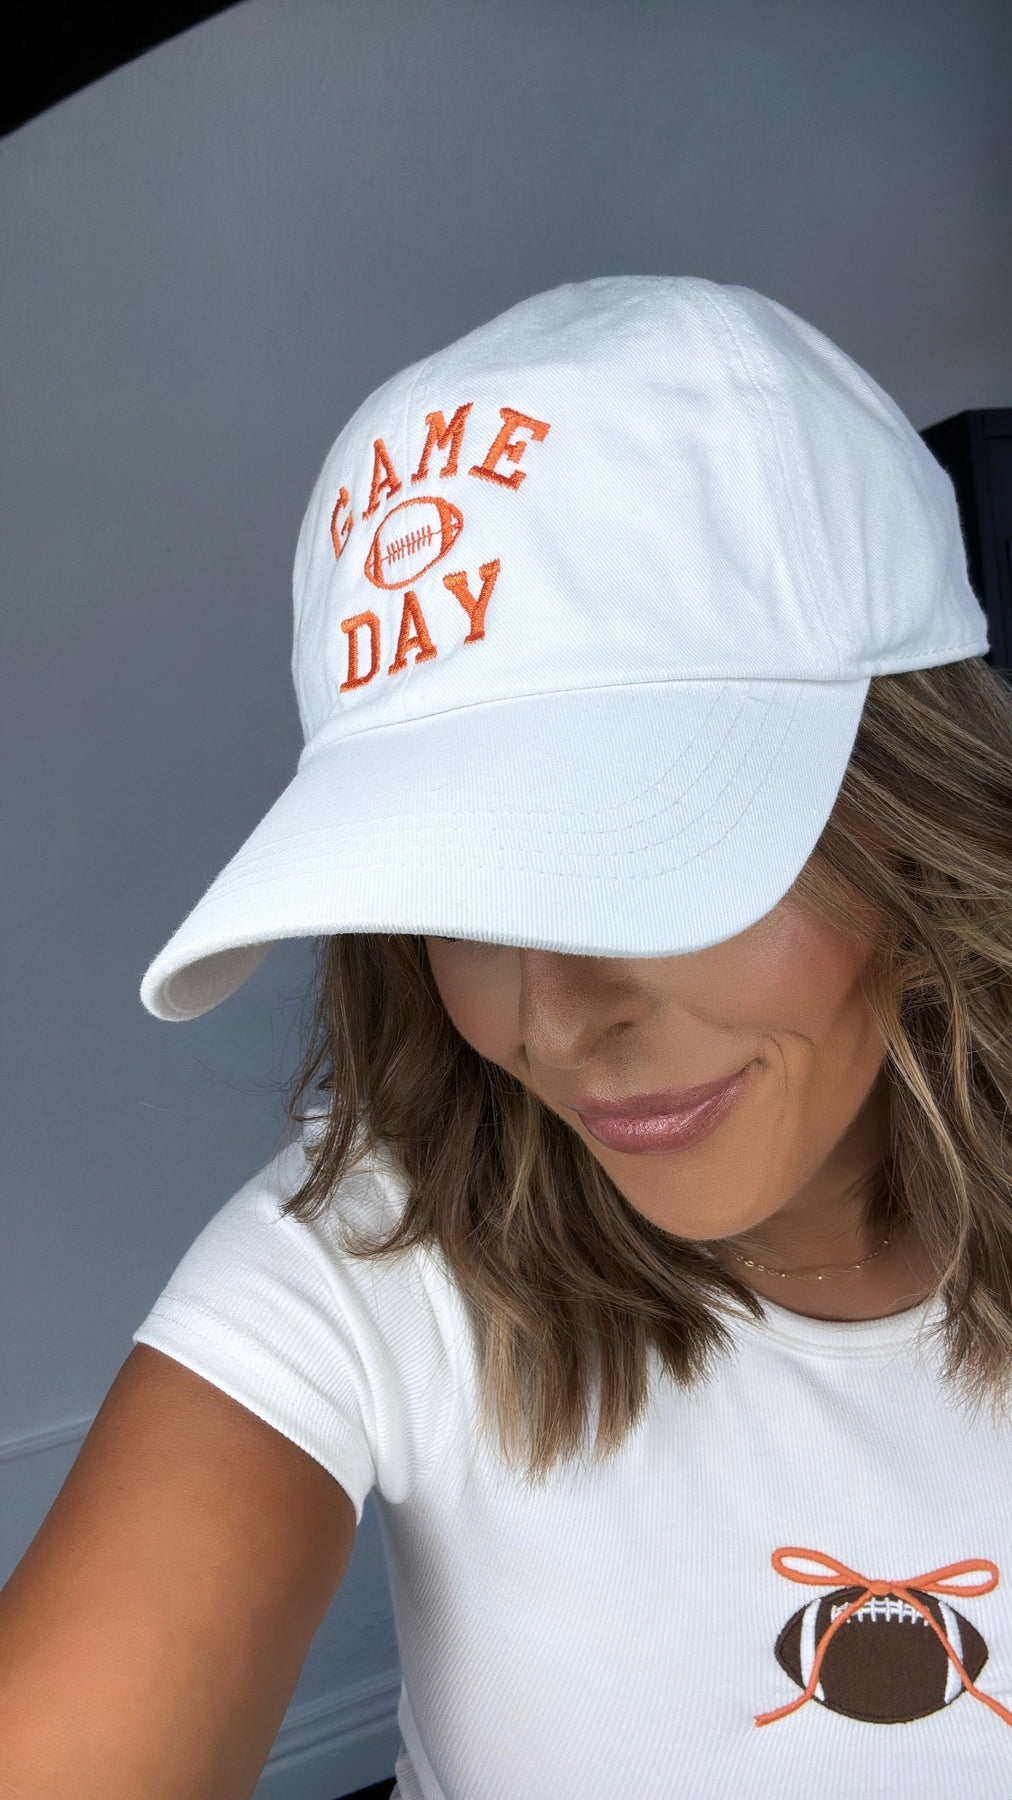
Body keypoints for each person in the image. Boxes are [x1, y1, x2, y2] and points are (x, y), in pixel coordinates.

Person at [2, 276, 1011, 1799]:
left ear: (915, 815)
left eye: (650, 855)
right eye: (457, 893)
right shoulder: (371, 1264)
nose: (554, 1019)